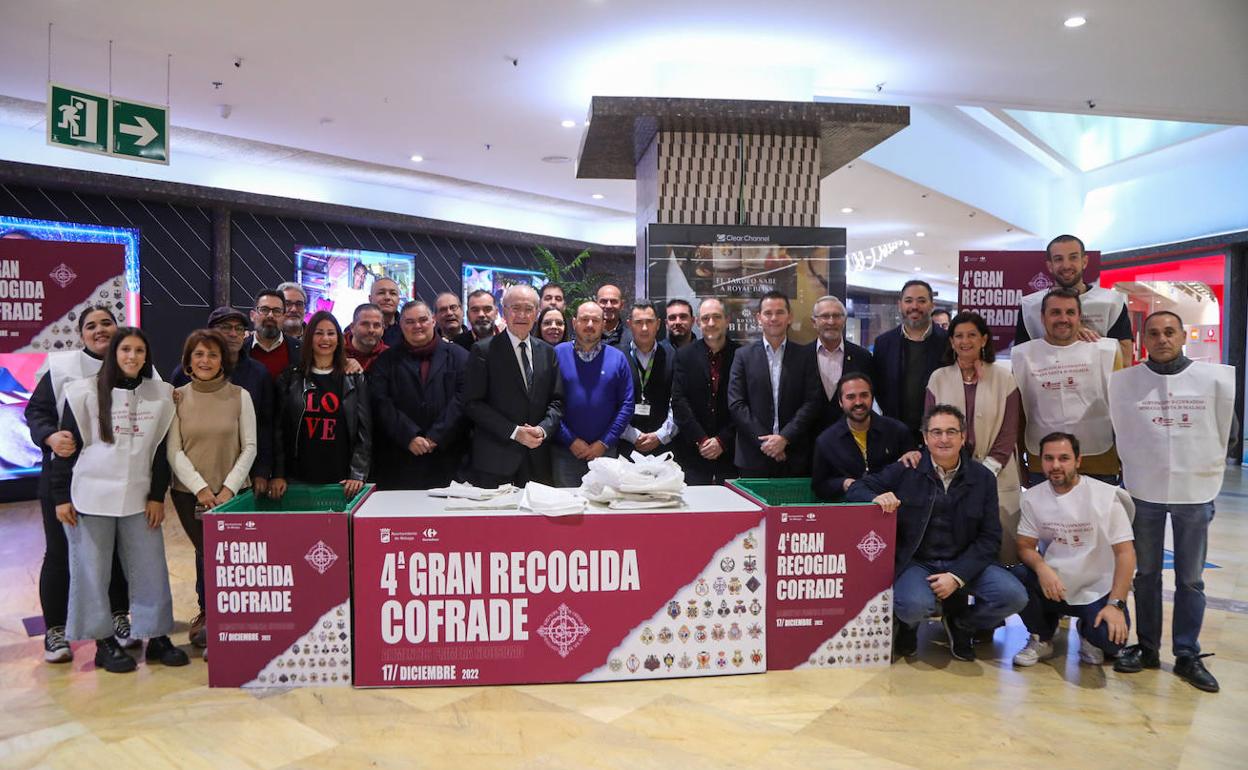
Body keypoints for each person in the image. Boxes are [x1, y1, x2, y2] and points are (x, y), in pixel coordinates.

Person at [1108, 311, 1236, 692]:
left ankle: (1186, 653)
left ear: (1183, 336)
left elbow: (1229, 434)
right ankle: (1147, 647)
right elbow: (1119, 432)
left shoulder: (1212, 381)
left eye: (1169, 332)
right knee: (1146, 574)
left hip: (1194, 493)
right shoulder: (1126, 384)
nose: (1162, 339)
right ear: (1143, 339)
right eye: (1154, 333)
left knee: (1191, 579)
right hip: (1144, 489)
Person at [49, 327, 189, 673]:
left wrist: (158, 496)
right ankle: (104, 642)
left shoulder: (161, 395)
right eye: (125, 349)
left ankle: (156, 637)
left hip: (140, 498)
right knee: (91, 572)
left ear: (146, 357)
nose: (132, 357)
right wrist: (60, 496)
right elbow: (67, 448)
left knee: (151, 569)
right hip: (89, 497)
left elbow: (160, 452)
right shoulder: (82, 392)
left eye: (139, 351)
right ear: (114, 353)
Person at [847, 404, 1027, 662]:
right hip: (918, 562)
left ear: (963, 437)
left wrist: (957, 576)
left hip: (965, 562)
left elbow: (989, 538)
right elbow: (856, 489)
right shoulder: (907, 468)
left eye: (952, 432)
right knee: (913, 606)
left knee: (1015, 596)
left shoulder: (983, 478)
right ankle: (909, 626)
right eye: (937, 432)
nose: (944, 439)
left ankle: (962, 623)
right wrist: (876, 497)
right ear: (925, 437)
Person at [24, 306, 135, 663]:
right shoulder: (61, 368)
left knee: (116, 551)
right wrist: (50, 436)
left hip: (118, 478)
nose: (100, 330)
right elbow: (36, 412)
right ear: (81, 334)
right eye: (91, 326)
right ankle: (56, 630)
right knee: (60, 553)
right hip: (66, 476)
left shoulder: (133, 362)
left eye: (106, 323)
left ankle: (119, 616)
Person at [1011, 432, 1136, 669]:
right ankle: (1042, 635)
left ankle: (1088, 632)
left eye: (1064, 458)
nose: (1055, 465)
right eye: (1048, 458)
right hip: (1056, 585)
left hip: (1096, 587)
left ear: (1078, 461)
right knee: (1016, 576)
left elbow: (1125, 553)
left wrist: (1116, 604)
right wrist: (1041, 567)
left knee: (1111, 643)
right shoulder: (1033, 498)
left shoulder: (1106, 496)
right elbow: (1024, 546)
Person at [167, 329, 257, 653]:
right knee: (206, 555)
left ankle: (236, 617)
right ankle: (209, 615)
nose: (206, 361)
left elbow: (249, 447)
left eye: (213, 354)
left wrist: (229, 489)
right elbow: (174, 451)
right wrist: (202, 489)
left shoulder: (239, 396)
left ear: (223, 360)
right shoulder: (176, 397)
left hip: (234, 495)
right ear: (189, 360)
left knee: (232, 559)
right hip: (189, 494)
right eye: (199, 354)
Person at [925, 311, 1023, 563]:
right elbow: (930, 425)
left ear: (984, 339)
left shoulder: (1004, 377)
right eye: (958, 336)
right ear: (951, 341)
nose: (964, 341)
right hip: (952, 475)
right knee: (958, 545)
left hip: (999, 474)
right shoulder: (938, 378)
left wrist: (988, 468)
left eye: (971, 335)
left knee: (1002, 550)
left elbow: (1010, 429)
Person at [1011, 288, 1121, 484]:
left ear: (1080, 317)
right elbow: (1017, 414)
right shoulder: (1022, 356)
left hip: (1099, 460)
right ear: (1042, 318)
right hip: (1043, 462)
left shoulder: (1106, 351)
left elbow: (1122, 410)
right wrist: (1019, 463)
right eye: (1055, 312)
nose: (1063, 318)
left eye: (1070, 312)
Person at [463, 284, 563, 487]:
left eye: (528, 309)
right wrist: (515, 432)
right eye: (515, 308)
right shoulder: (483, 351)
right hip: (496, 460)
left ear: (536, 314)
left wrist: (543, 430)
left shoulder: (547, 352)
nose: (522, 315)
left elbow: (557, 400)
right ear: (503, 311)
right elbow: (472, 404)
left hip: (538, 459)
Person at [173, 306, 275, 498]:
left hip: (242, 476)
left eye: (239, 329)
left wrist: (262, 469)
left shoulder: (259, 373)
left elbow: (266, 424)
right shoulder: (183, 374)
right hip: (193, 479)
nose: (233, 334)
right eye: (226, 327)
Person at [369, 300, 469, 490]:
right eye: (410, 321)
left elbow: (463, 400)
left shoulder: (460, 356)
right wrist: (409, 436)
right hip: (400, 459)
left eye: (423, 320)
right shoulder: (386, 360)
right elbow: (381, 402)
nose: (417, 326)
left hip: (449, 458)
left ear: (433, 320)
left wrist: (436, 436)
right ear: (401, 325)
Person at [270, 311, 371, 499]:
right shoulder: (291, 376)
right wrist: (278, 473)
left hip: (341, 479)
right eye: (319, 333)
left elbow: (364, 430)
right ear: (309, 337)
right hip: (297, 477)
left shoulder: (353, 377)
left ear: (339, 339)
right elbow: (279, 430)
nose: (325, 339)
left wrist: (357, 473)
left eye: (331, 333)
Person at [727, 291, 822, 477]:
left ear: (789, 317)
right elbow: (736, 404)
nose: (774, 318)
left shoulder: (805, 356)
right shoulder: (743, 356)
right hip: (753, 456)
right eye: (768, 313)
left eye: (779, 312)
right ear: (759, 318)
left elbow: (812, 402)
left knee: (793, 506)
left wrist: (784, 438)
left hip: (793, 455)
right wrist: (767, 442)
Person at [551, 301, 634, 486]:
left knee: (604, 510)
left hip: (605, 452)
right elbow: (547, 403)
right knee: (567, 509)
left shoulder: (617, 358)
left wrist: (604, 442)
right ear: (574, 323)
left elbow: (627, 405)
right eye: (584, 319)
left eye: (595, 320)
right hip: (565, 452)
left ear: (603, 324)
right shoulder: (556, 354)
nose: (590, 325)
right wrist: (570, 440)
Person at [1015, 234, 1133, 362]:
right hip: (1047, 379)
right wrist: (1062, 334)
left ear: (1084, 261)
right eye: (1059, 259)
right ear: (1050, 266)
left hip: (1097, 381)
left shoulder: (1112, 302)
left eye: (1073, 258)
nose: (1066, 265)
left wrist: (1080, 337)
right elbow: (1021, 361)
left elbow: (1125, 359)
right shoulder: (1030, 306)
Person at [811, 373, 915, 501]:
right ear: (840, 402)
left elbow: (914, 477)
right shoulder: (826, 441)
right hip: (850, 510)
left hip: (895, 507)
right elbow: (819, 487)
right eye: (850, 397)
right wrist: (843, 483)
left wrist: (912, 457)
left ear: (872, 398)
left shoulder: (898, 431)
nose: (858, 402)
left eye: (864, 395)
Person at [671, 298, 740, 485]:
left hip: (731, 452)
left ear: (727, 320)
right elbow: (679, 402)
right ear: (698, 322)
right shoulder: (684, 355)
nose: (711, 323)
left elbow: (745, 404)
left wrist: (722, 440)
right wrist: (701, 439)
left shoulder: (742, 355)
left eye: (717, 317)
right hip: (693, 453)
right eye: (706, 318)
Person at [871, 280, 949, 441]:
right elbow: (878, 386)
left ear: (931, 305)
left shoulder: (948, 343)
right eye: (908, 301)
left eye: (921, 301)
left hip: (939, 433)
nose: (914, 306)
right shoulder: (883, 343)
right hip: (895, 433)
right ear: (900, 305)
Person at [807, 295, 874, 434]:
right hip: (808, 441)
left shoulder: (863, 357)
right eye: (825, 316)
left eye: (837, 316)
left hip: (851, 439)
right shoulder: (801, 356)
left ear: (844, 320)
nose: (831, 321)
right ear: (814, 322)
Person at [618, 301, 678, 457]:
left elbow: (679, 402)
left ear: (658, 324)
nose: (644, 328)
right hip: (625, 447)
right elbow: (611, 403)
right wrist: (633, 435)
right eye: (638, 322)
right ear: (630, 324)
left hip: (664, 447)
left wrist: (660, 435)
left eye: (649, 322)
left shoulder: (673, 356)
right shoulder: (617, 357)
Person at [245, 290, 301, 380]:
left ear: (284, 317)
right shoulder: (240, 350)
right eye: (264, 310)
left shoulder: (300, 351)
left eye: (277, 311)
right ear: (252, 316)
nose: (270, 315)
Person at [344, 302, 389, 371]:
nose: (371, 330)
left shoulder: (389, 356)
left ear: (383, 330)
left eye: (376, 325)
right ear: (352, 327)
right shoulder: (336, 351)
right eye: (365, 324)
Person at [595, 284, 632, 348]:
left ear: (622, 305)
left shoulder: (632, 340)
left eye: (613, 301)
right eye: (604, 301)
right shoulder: (585, 338)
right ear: (596, 304)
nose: (608, 306)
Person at [370, 277, 404, 346]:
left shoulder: (408, 328)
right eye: (381, 293)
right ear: (370, 299)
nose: (387, 297)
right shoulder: (355, 329)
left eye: (393, 293)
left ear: (398, 300)